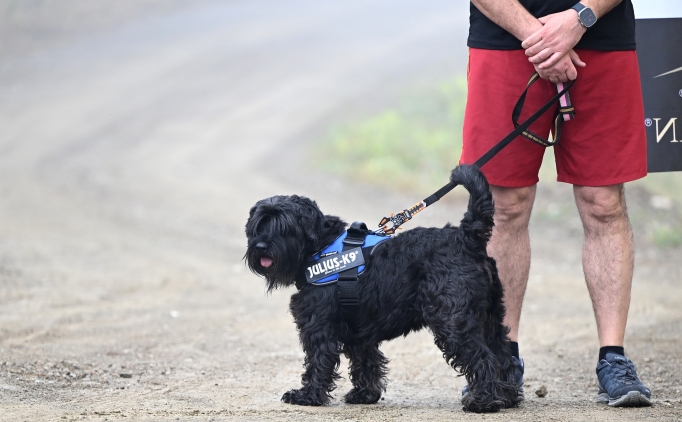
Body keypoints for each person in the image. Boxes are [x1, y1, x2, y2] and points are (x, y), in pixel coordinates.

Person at [459, 0, 652, 407]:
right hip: (505, 38)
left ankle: (613, 359)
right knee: (505, 204)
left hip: (601, 36)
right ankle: (500, 357)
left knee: (603, 202)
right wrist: (540, 37)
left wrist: (579, 18)